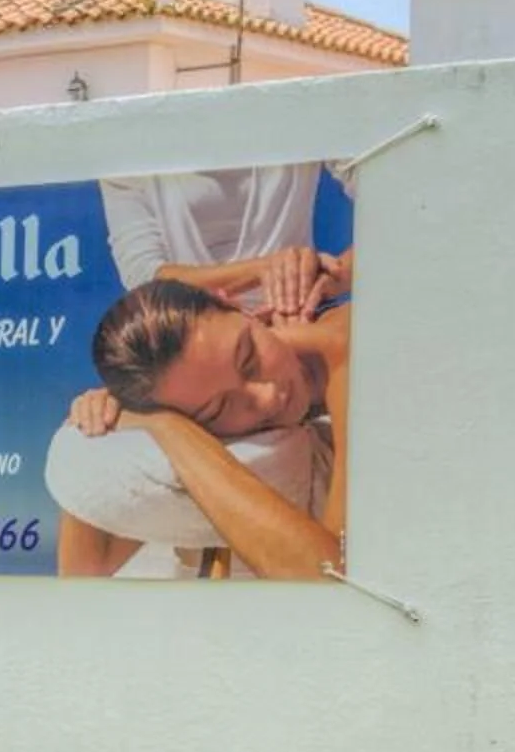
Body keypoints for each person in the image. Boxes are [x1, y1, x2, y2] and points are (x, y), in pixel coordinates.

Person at [55, 278, 349, 581]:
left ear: (238, 307)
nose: (268, 395)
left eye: (248, 357)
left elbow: (332, 579)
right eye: (219, 408)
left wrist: (166, 426)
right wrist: (137, 426)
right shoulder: (204, 428)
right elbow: (85, 573)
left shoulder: (347, 345)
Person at [98, 165, 352, 318]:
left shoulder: (302, 102)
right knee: (99, 408)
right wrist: (270, 269)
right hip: (197, 341)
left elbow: (390, 192)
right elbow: (145, 278)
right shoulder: (126, 140)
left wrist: (328, 278)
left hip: (300, 319)